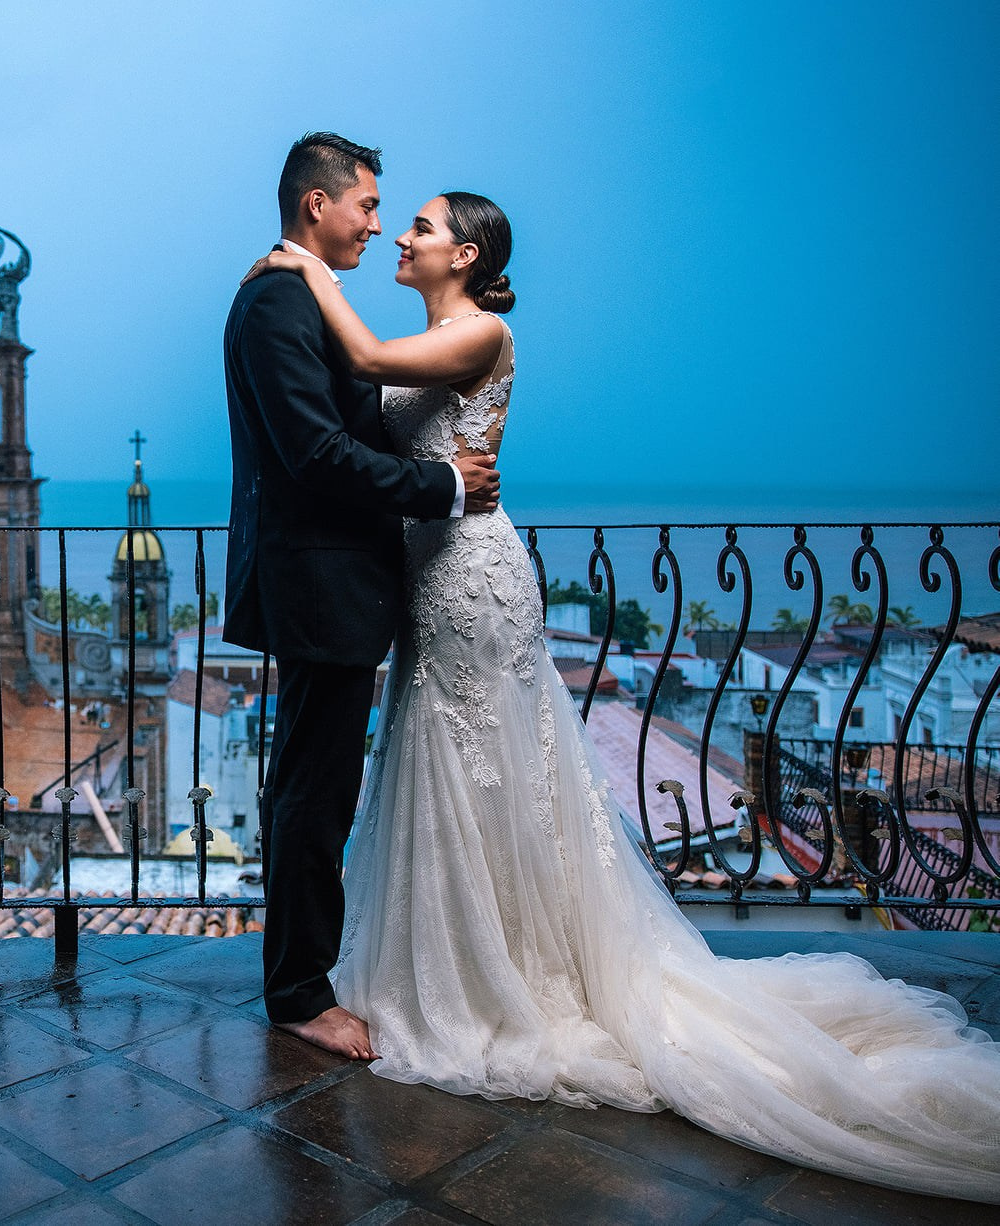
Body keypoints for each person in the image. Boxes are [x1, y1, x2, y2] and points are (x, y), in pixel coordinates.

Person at [246, 191, 1000, 1203]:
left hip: (471, 575)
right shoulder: (431, 329)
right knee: (445, 771)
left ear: (463, 254)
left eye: (418, 225)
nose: (401, 235)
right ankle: (466, 958)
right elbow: (370, 411)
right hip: (429, 580)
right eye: (392, 216)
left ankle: (511, 971)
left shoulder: (481, 331)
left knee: (489, 767)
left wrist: (302, 268)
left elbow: (371, 372)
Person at [221, 132, 501, 1061]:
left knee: (323, 786)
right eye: (369, 207)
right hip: (319, 585)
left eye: (393, 215)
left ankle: (321, 972)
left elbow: (363, 398)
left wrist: (315, 278)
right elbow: (315, 454)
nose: (378, 225)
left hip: (345, 584)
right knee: (313, 792)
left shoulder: (304, 295)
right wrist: (446, 487)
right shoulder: (276, 305)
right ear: (318, 206)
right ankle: (299, 992)